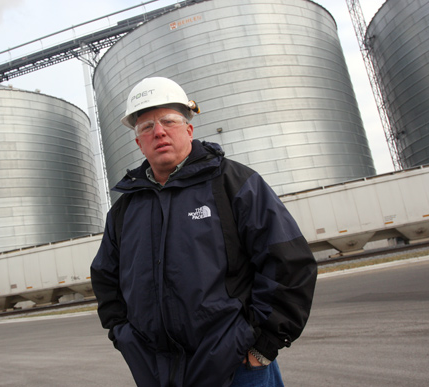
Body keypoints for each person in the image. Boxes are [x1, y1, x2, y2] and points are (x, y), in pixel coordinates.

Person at [90, 77, 317, 387]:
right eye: (146, 127)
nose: (158, 131)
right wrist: (124, 336)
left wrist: (262, 347)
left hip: (237, 369)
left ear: (189, 129)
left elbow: (289, 263)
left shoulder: (233, 184)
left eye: (168, 121)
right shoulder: (124, 210)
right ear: (138, 142)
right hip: (158, 374)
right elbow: (106, 280)